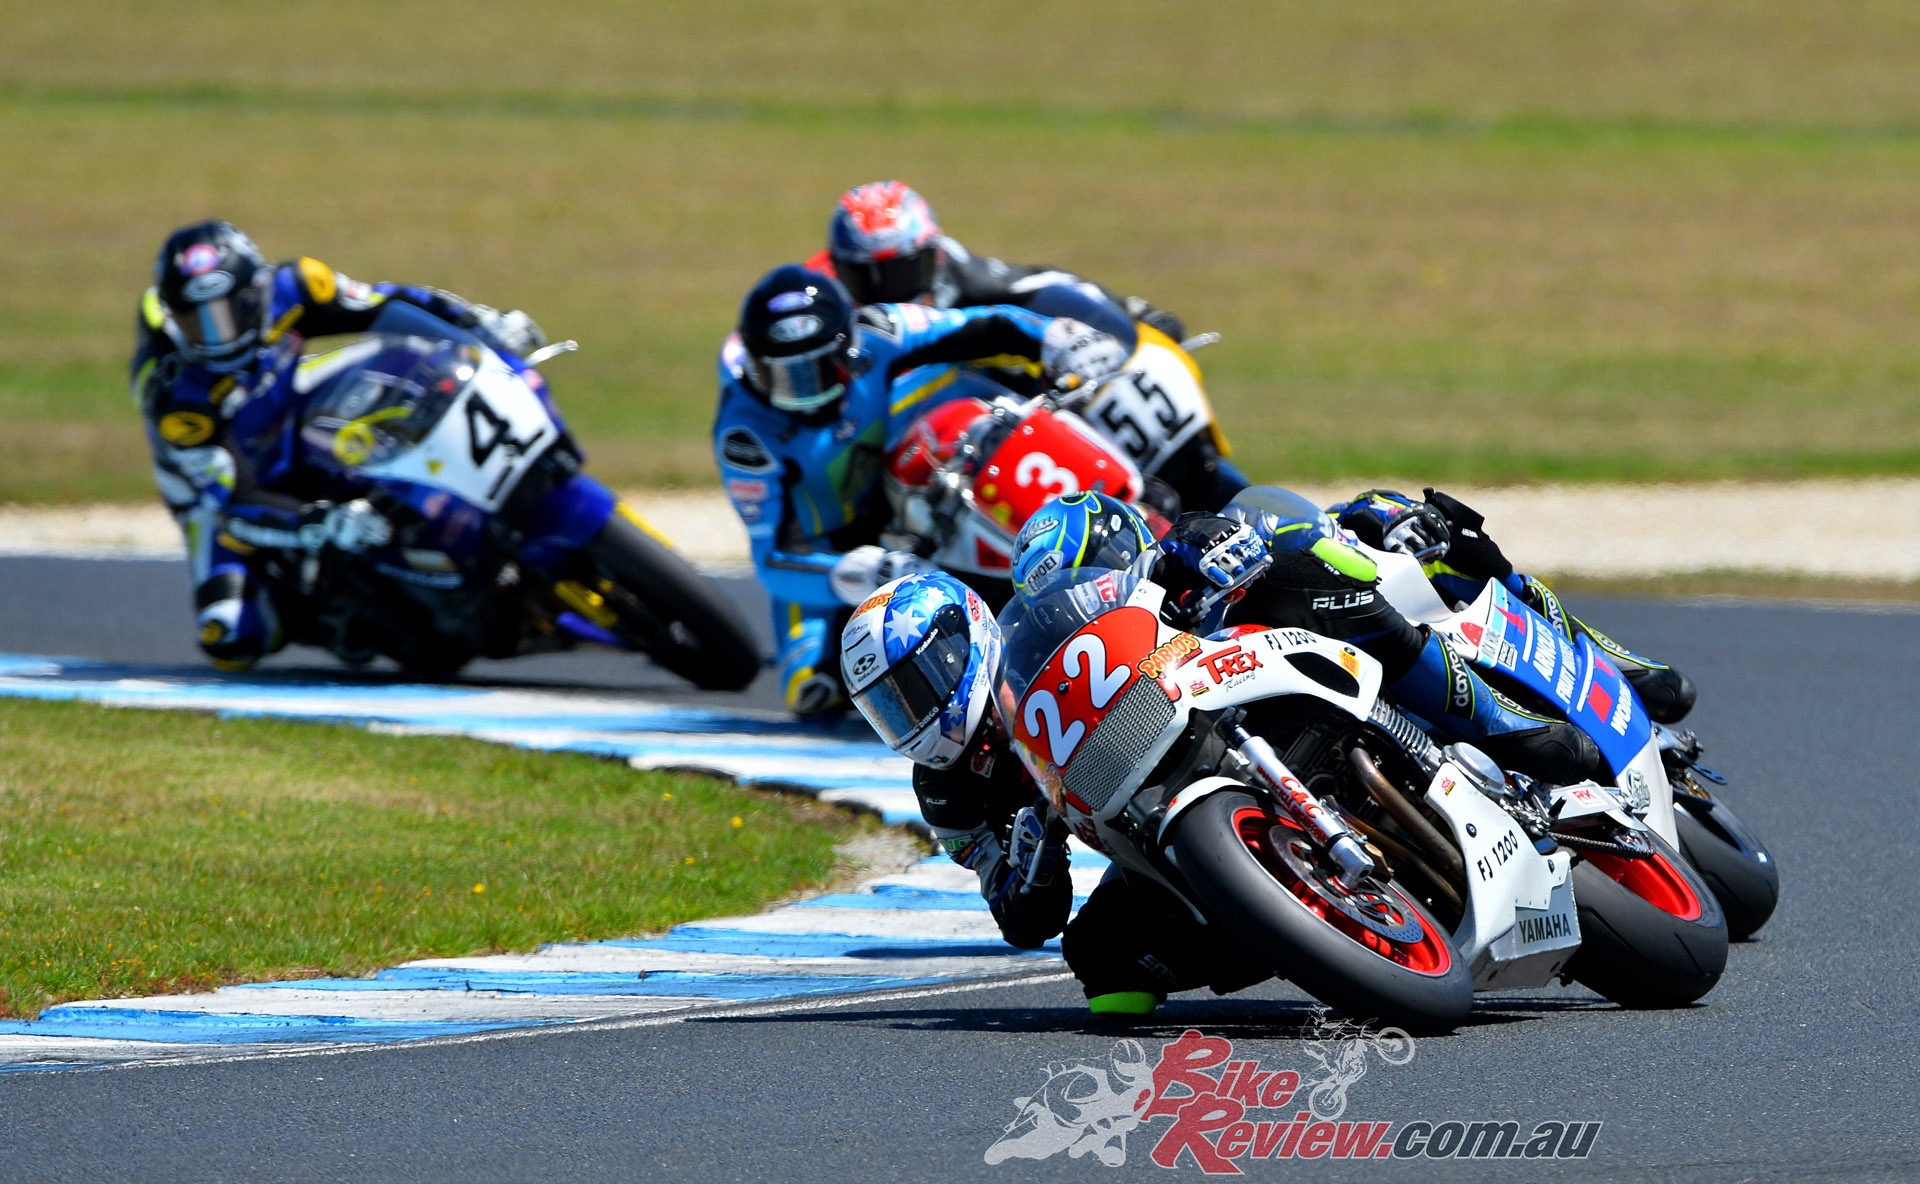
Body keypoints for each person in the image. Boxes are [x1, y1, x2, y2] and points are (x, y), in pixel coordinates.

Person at [713, 263, 1131, 716]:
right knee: (814, 687)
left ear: (847, 347)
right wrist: (864, 571)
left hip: (907, 479)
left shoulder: (880, 331)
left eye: (817, 370)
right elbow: (774, 557)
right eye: (782, 377)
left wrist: (1056, 338)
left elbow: (983, 326)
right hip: (834, 550)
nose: (803, 394)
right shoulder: (745, 437)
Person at [133, 220, 548, 669]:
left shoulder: (296, 286)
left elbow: (387, 304)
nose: (219, 336)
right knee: (231, 637)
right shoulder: (179, 400)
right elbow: (231, 501)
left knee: (408, 366)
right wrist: (322, 522)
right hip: (217, 493)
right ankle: (324, 611)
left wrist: (479, 326)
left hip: (298, 406)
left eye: (227, 314)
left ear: (255, 292)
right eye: (198, 322)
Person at [1012, 490, 1603, 785]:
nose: (1086, 598)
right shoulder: (1105, 662)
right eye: (1063, 603)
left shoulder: (1184, 544)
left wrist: (1378, 519)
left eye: (1091, 573)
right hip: (1227, 715)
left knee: (1319, 563)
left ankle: (1503, 722)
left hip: (1319, 641)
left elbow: (1291, 524)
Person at [813, 181, 1249, 513]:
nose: (886, 291)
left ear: (933, 255)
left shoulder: (962, 276)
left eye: (902, 271)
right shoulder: (828, 304)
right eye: (865, 277)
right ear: (840, 269)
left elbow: (1041, 285)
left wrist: (1129, 310)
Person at [1327, 488, 1696, 723]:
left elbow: (1340, 515)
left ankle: (1595, 656)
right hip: (1357, 672)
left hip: (1419, 611)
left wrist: (1390, 515)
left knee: (1448, 540)